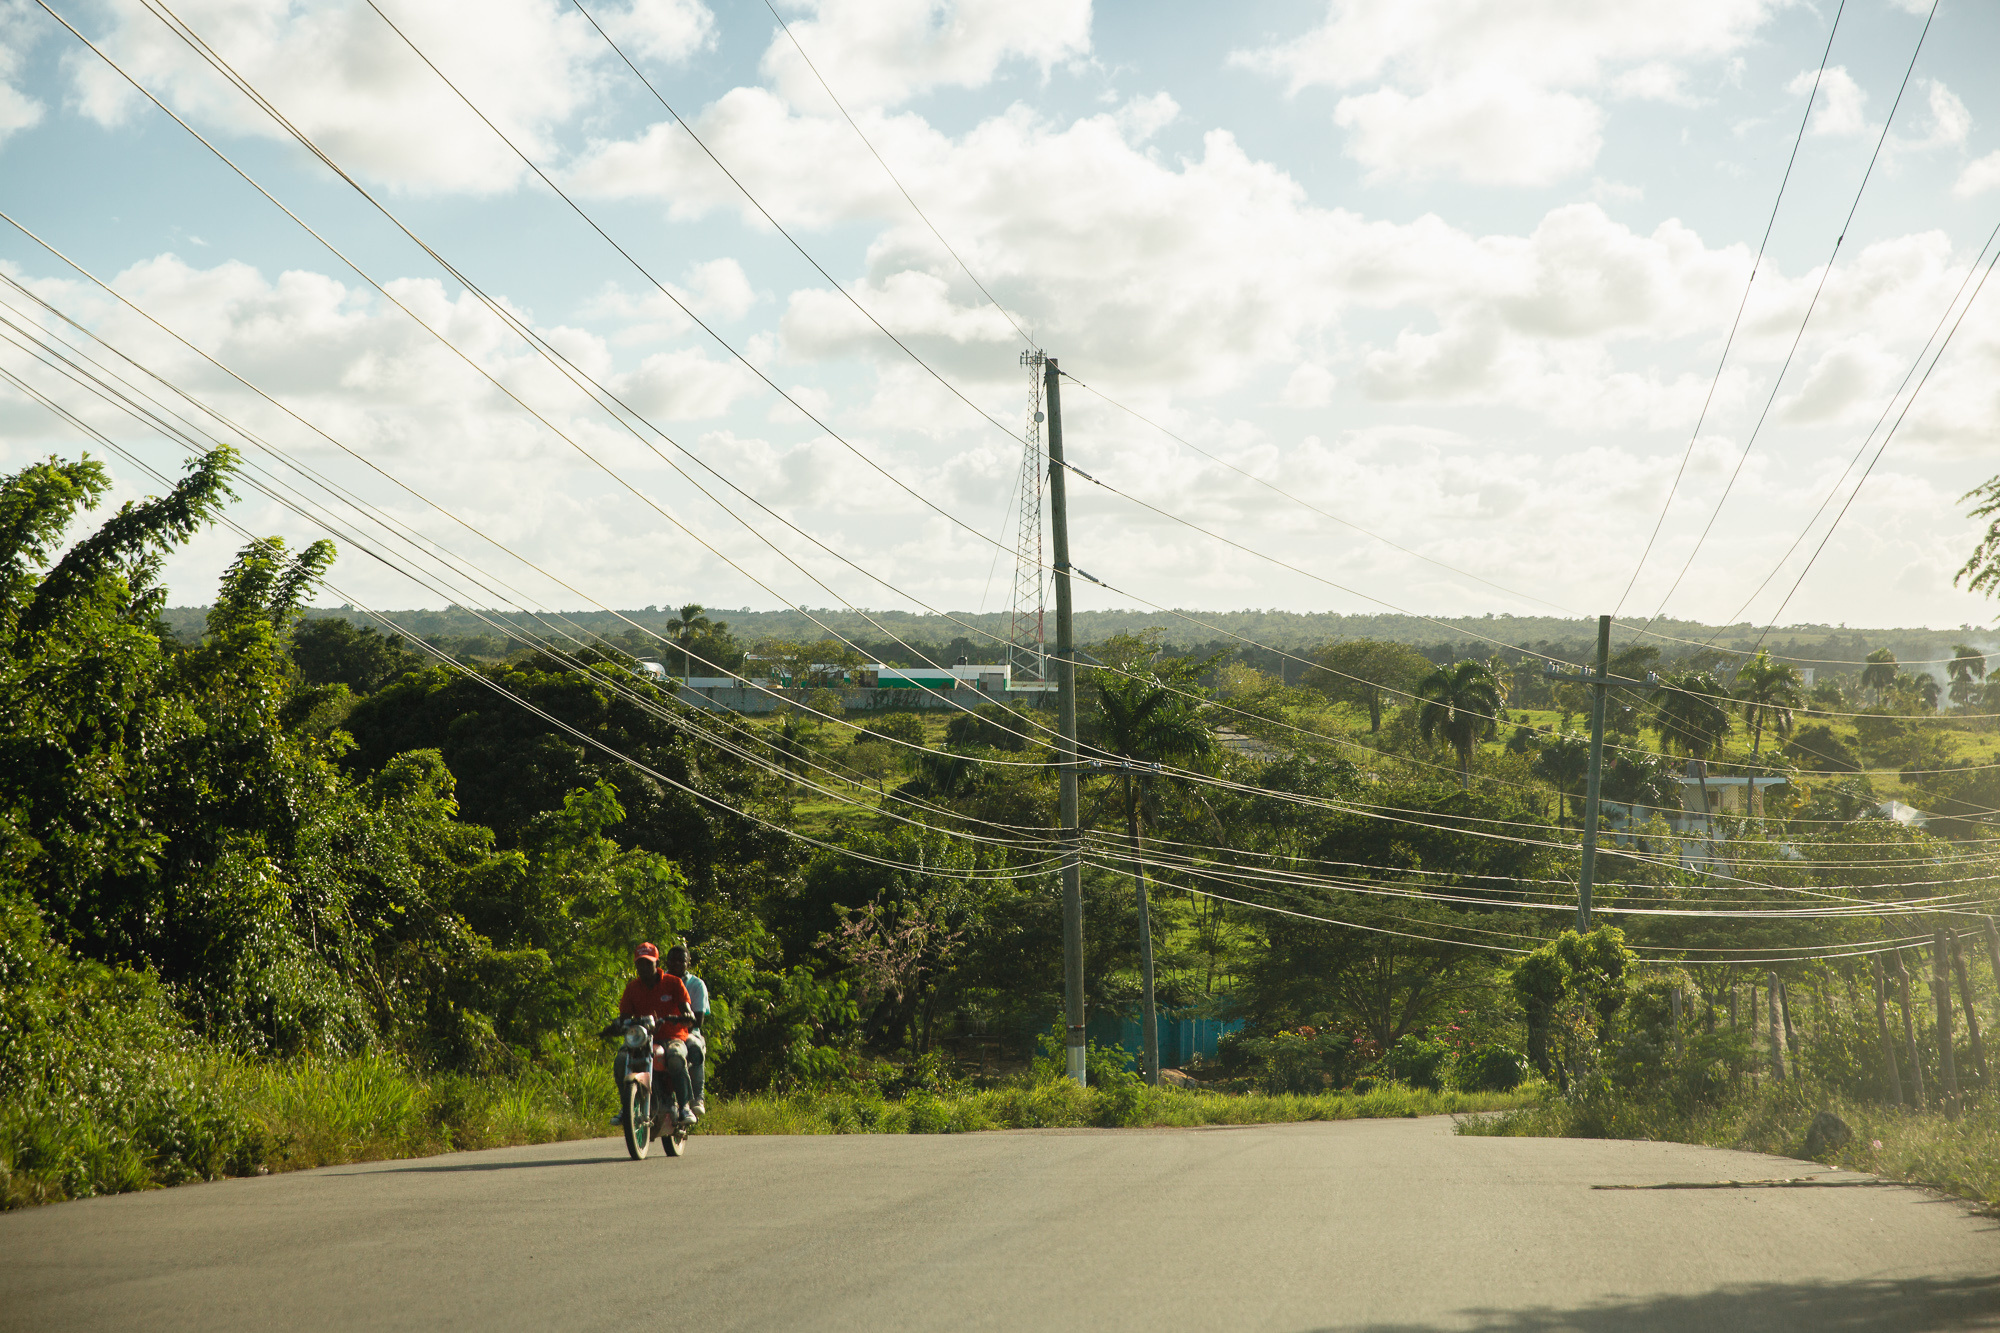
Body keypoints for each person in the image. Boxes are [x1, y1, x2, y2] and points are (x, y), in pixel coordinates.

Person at [610, 942, 696, 1127]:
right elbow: (624, 1016)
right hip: (643, 1039)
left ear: (657, 963)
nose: (644, 968)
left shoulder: (674, 983)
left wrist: (686, 1015)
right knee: (621, 1059)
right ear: (636, 965)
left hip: (672, 1036)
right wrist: (618, 1024)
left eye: (648, 963)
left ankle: (684, 1106)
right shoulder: (632, 988)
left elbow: (687, 1010)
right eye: (640, 963)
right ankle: (626, 1106)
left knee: (675, 1057)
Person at [666, 945, 710, 1115]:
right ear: (666, 962)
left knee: (695, 1048)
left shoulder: (696, 985)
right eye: (672, 960)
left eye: (681, 960)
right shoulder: (660, 981)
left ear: (688, 963)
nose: (676, 963)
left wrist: (677, 1023)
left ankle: (697, 1097)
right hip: (662, 1032)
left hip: (689, 1033)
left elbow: (698, 1021)